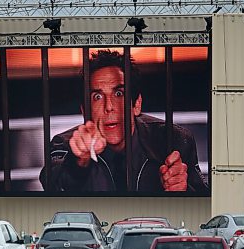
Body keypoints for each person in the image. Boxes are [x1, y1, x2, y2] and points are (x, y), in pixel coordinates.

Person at [40, 49, 209, 194]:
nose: (109, 106)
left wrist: (183, 189)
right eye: (97, 97)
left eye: (119, 93)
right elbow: (53, 183)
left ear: (136, 104)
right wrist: (79, 163)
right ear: (85, 112)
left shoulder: (173, 138)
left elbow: (204, 200)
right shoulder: (63, 144)